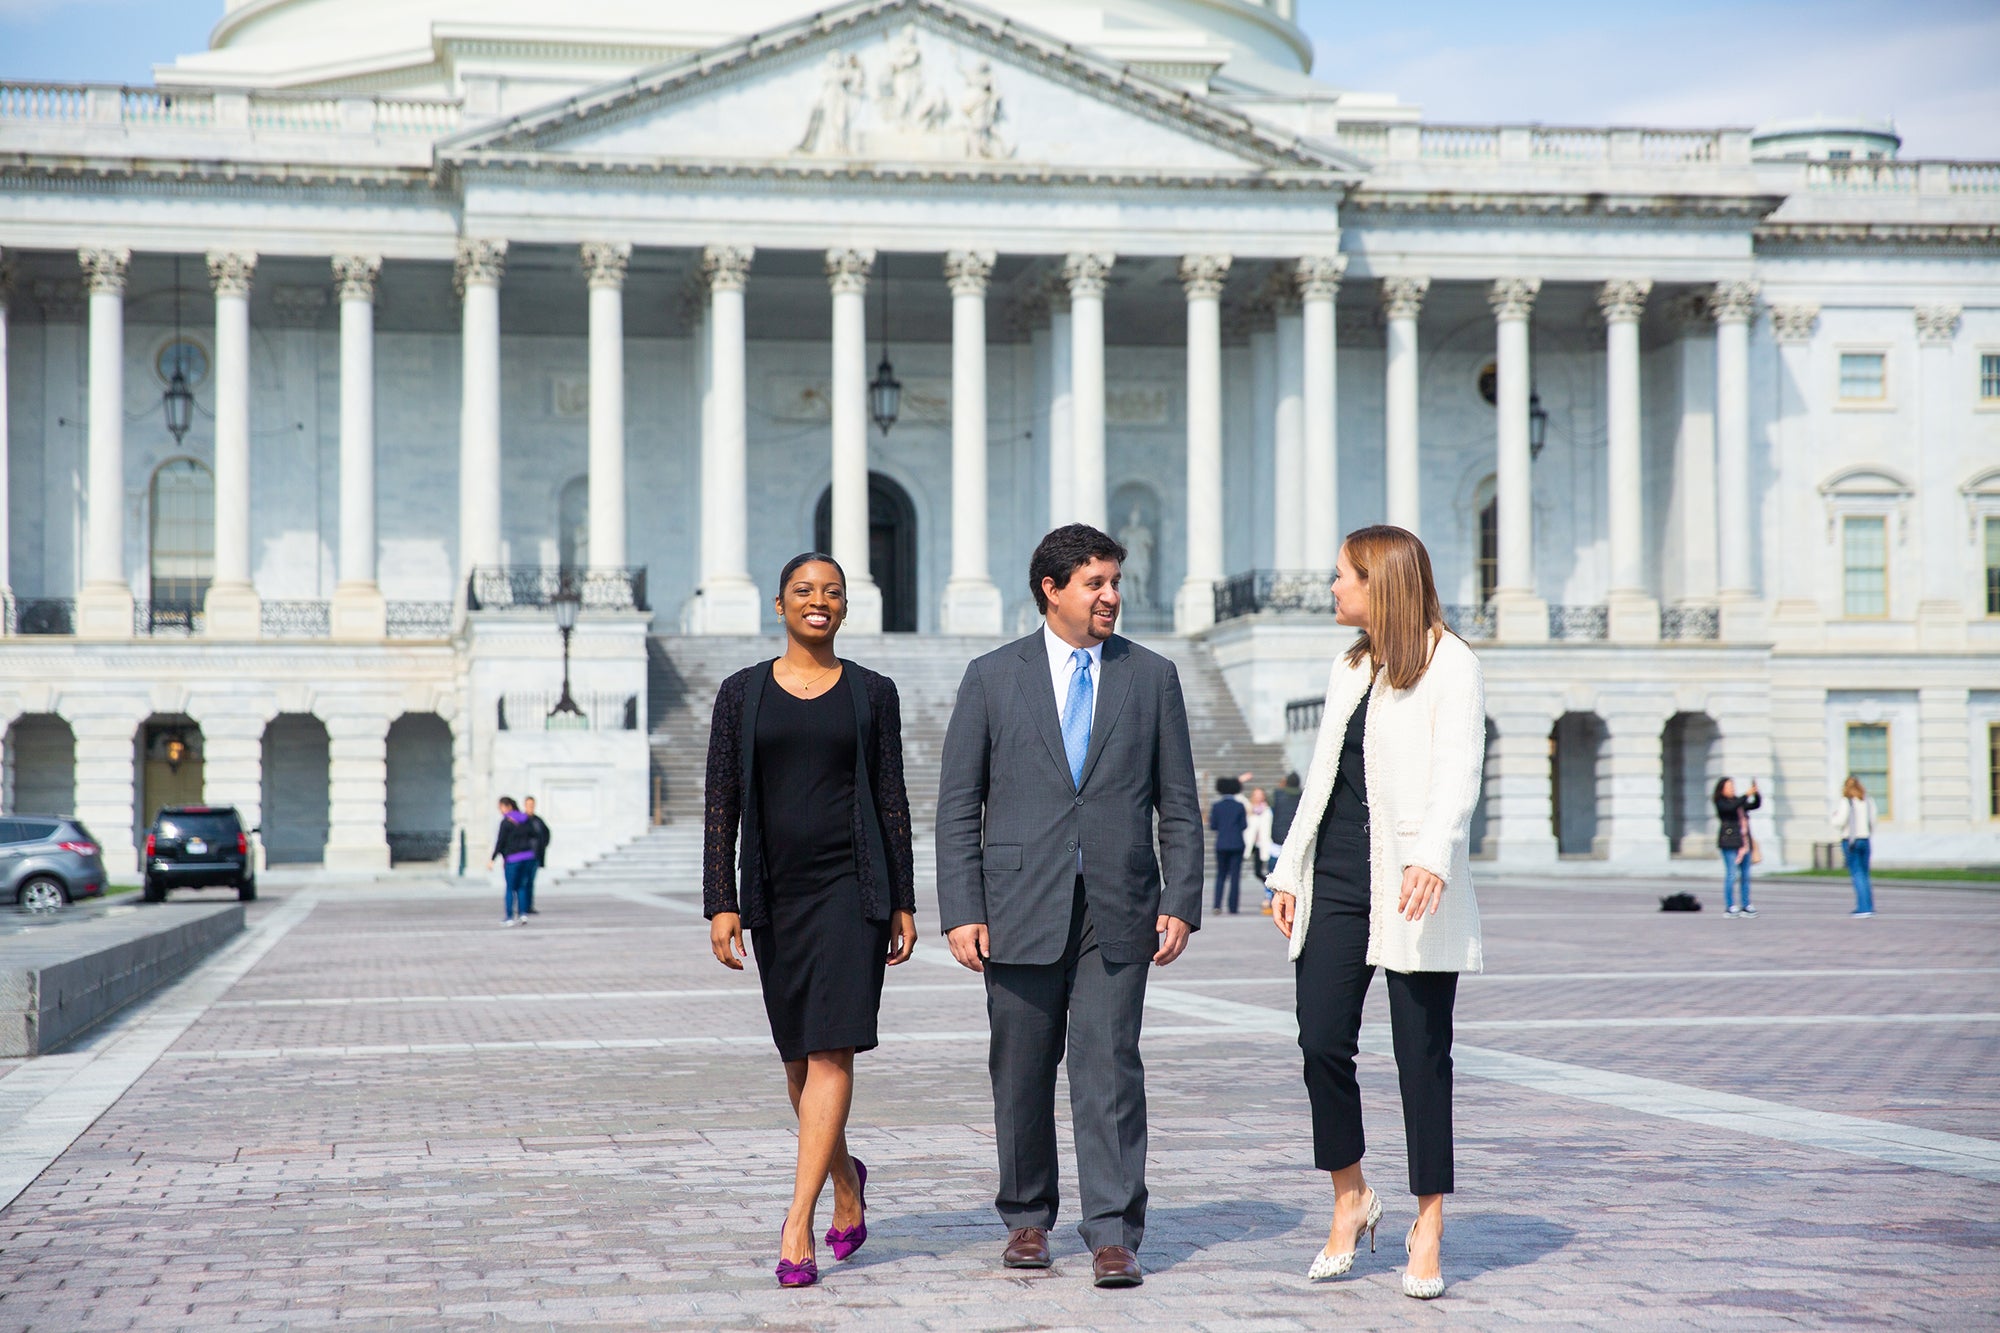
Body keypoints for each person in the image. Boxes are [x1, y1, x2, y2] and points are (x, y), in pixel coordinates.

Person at [936, 523, 1203, 1289]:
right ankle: (1026, 1218)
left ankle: (1114, 1232)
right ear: (1051, 590)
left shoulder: (1151, 676)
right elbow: (958, 805)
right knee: (1021, 1067)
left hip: (1120, 903)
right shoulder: (992, 676)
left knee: (1110, 1067)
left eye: (1114, 581)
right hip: (1017, 902)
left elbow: (1178, 802)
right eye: (1096, 583)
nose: (1112, 595)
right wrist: (962, 906)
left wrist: (1182, 897)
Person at [1265, 525, 1485, 1302]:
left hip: (1411, 877)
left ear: (1380, 581)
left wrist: (1433, 852)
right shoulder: (1351, 665)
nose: (1332, 587)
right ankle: (1351, 1194)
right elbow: (1321, 777)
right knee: (1320, 1038)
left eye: (1343, 575)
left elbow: (1459, 768)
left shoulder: (1451, 663)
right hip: (1336, 877)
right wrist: (1289, 868)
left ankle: (1429, 1221)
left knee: (1422, 1055)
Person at [702, 553, 918, 1289]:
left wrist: (903, 898)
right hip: (775, 891)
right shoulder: (740, 693)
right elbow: (721, 801)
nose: (818, 600)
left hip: (852, 888)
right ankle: (846, 1180)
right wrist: (722, 898)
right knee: (797, 1058)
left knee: (831, 1049)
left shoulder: (872, 691)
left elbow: (891, 797)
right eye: (803, 590)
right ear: (779, 604)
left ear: (846, 607)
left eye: (832, 592)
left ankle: (796, 1226)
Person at [1714, 777, 1761, 918]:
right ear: (1722, 789)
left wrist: (1756, 794)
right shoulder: (1721, 802)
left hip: (1744, 843)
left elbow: (1755, 805)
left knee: (1745, 875)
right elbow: (1730, 808)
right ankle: (1730, 906)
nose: (1732, 789)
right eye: (1729, 787)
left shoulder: (1739, 802)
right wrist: (1746, 794)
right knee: (1731, 874)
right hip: (1729, 842)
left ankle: (1746, 905)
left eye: (1732, 786)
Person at [486, 797, 537, 926]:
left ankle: (509, 917)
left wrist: (492, 859)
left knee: (510, 888)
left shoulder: (506, 822)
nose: (500, 811)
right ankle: (523, 914)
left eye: (501, 807)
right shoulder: (525, 819)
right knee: (522, 887)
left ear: (508, 806)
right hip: (527, 857)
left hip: (513, 858)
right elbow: (533, 833)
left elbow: (500, 841)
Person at [1832, 776, 1877, 918]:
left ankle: (1863, 908)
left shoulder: (1846, 801)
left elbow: (1839, 821)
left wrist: (1834, 817)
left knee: (1857, 874)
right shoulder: (1868, 801)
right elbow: (1873, 820)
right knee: (1864, 874)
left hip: (1851, 840)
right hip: (1865, 839)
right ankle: (1868, 906)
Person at [1209, 776, 1249, 914]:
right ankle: (1233, 906)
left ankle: (1217, 905)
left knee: (1220, 875)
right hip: (1237, 843)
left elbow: (1213, 826)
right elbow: (1244, 825)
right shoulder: (1239, 806)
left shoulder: (1216, 806)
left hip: (1221, 843)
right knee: (1235, 877)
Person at [1266, 772, 1301, 915]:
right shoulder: (1302, 795)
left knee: (1273, 870)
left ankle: (1272, 899)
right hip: (1295, 839)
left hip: (1278, 838)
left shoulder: (1277, 794)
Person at [1245, 787, 1276, 912]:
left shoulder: (1268, 810)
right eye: (1256, 794)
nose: (1258, 797)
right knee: (1258, 871)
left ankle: (1269, 893)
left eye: (1260, 794)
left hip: (1265, 844)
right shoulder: (1249, 809)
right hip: (1252, 844)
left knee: (1268, 870)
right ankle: (1269, 887)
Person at [520, 795, 550, 915]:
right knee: (523, 882)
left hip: (535, 856)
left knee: (530, 882)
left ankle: (529, 906)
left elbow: (546, 834)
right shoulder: (521, 820)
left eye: (532, 805)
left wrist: (542, 846)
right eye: (528, 805)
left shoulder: (538, 821)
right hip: (523, 856)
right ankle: (522, 906)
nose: (530, 807)